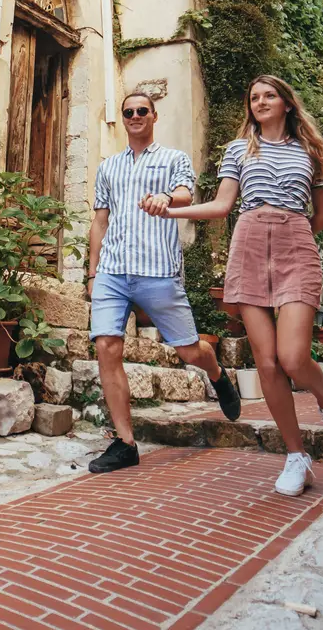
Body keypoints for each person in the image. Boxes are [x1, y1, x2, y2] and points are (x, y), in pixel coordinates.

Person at [143, 75, 323, 495]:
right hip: (249, 245)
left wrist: (292, 235)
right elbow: (223, 205)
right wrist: (169, 210)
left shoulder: (313, 151)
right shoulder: (239, 149)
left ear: (286, 103)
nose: (260, 101)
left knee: (294, 357)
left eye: (269, 95)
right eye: (254, 97)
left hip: (296, 245)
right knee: (268, 365)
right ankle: (296, 456)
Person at [85, 90, 241, 474]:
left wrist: (167, 199)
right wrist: (92, 272)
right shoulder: (108, 168)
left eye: (142, 111)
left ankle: (217, 374)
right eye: (128, 112)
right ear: (123, 119)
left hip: (158, 271)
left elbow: (186, 193)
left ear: (154, 116)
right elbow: (100, 221)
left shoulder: (174, 159)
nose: (135, 116)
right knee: (106, 345)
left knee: (189, 351)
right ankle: (125, 444)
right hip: (113, 270)